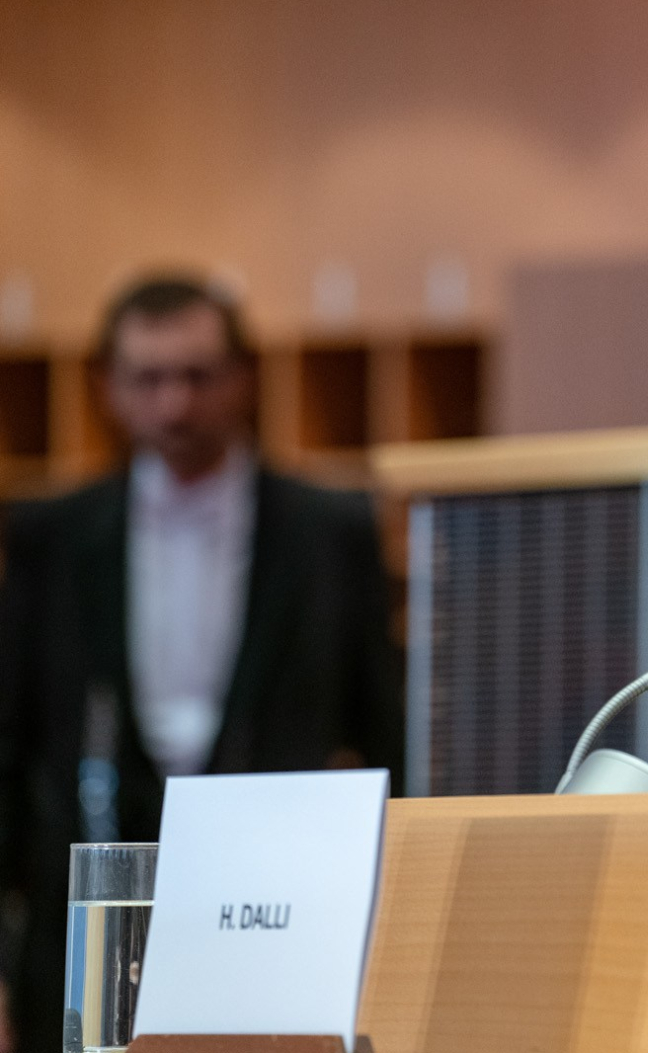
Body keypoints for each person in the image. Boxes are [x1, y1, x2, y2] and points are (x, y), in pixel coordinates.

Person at [0, 276, 404, 1052]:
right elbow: (8, 742)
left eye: (197, 375)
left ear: (245, 378)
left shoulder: (330, 531)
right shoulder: (52, 534)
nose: (175, 405)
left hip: (276, 909)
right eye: (149, 379)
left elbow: (385, 732)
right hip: (87, 911)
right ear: (108, 387)